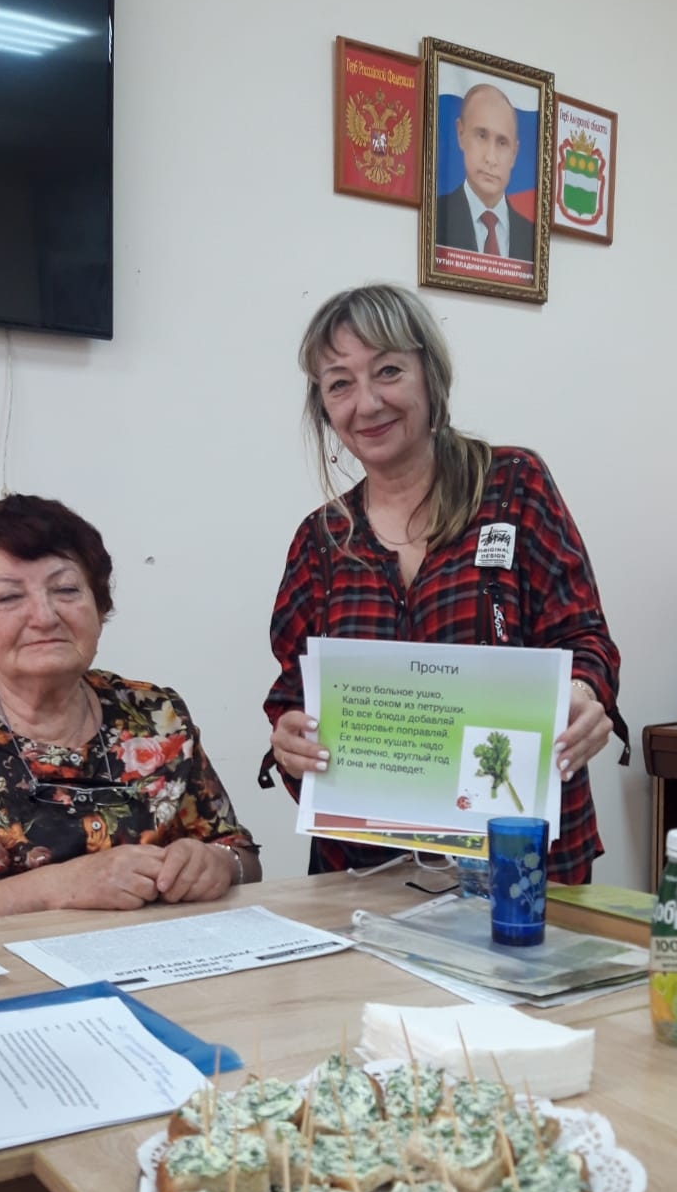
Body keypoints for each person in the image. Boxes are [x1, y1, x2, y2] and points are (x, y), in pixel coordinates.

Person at [262, 283, 628, 883]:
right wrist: (291, 742)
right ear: (324, 408)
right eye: (340, 384)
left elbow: (584, 637)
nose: (367, 403)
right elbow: (295, 696)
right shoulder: (320, 540)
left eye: (388, 371)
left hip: (518, 867)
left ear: (430, 376)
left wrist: (584, 692)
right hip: (365, 875)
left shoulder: (514, 486)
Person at [0, 494, 260, 923]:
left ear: (99, 609)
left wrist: (220, 864)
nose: (44, 617)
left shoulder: (157, 715)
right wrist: (59, 887)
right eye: (9, 597)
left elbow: (241, 854)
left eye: (65, 590)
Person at [436, 83, 535, 263]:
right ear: (460, 134)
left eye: (502, 143)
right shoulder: (437, 217)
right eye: (481, 136)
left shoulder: (532, 236)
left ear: (514, 153)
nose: (490, 158)